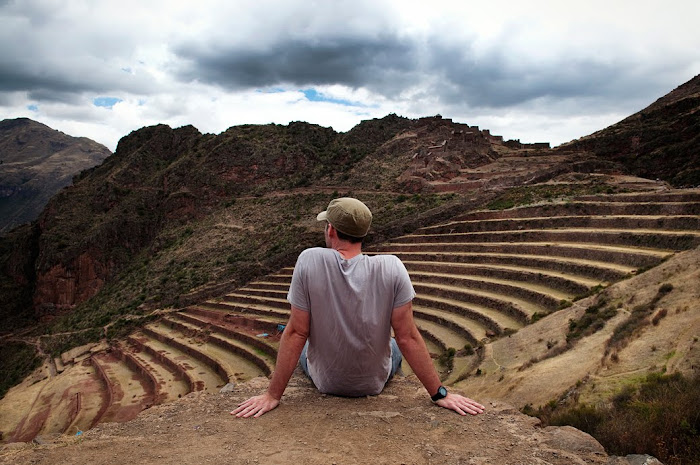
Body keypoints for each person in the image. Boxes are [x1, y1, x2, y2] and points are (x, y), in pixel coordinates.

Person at [232, 197, 484, 418]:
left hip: (326, 381)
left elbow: (297, 332)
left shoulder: (308, 259)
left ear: (330, 229)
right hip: (372, 384)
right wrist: (440, 394)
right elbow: (408, 337)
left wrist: (272, 395)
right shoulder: (392, 267)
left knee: (306, 345)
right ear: (363, 233)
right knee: (395, 344)